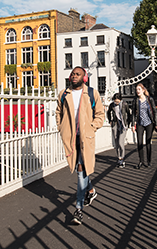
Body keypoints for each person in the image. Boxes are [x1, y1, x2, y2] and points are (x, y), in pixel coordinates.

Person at [56, 66, 105, 225]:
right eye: (72, 74)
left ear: (84, 78)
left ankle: (78, 209)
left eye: (77, 74)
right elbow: (58, 112)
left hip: (86, 138)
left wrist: (93, 127)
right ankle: (90, 190)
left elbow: (100, 114)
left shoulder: (91, 93)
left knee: (80, 171)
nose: (74, 76)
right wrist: (60, 127)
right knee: (81, 170)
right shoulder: (64, 94)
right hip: (71, 138)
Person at [132, 83, 157, 169]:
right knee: (139, 143)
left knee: (148, 142)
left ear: (143, 90)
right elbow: (133, 113)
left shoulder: (149, 99)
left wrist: (156, 123)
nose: (137, 91)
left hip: (149, 123)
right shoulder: (135, 100)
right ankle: (141, 161)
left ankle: (149, 161)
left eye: (139, 89)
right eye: (136, 90)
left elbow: (154, 111)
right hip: (140, 123)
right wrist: (133, 124)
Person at [107, 92, 130, 168]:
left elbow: (128, 113)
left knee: (121, 142)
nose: (116, 103)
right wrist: (110, 120)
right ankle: (119, 158)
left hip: (123, 125)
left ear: (121, 100)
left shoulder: (124, 104)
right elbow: (108, 112)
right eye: (115, 101)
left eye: (117, 101)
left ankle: (122, 158)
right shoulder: (112, 105)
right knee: (116, 143)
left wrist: (128, 123)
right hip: (115, 124)